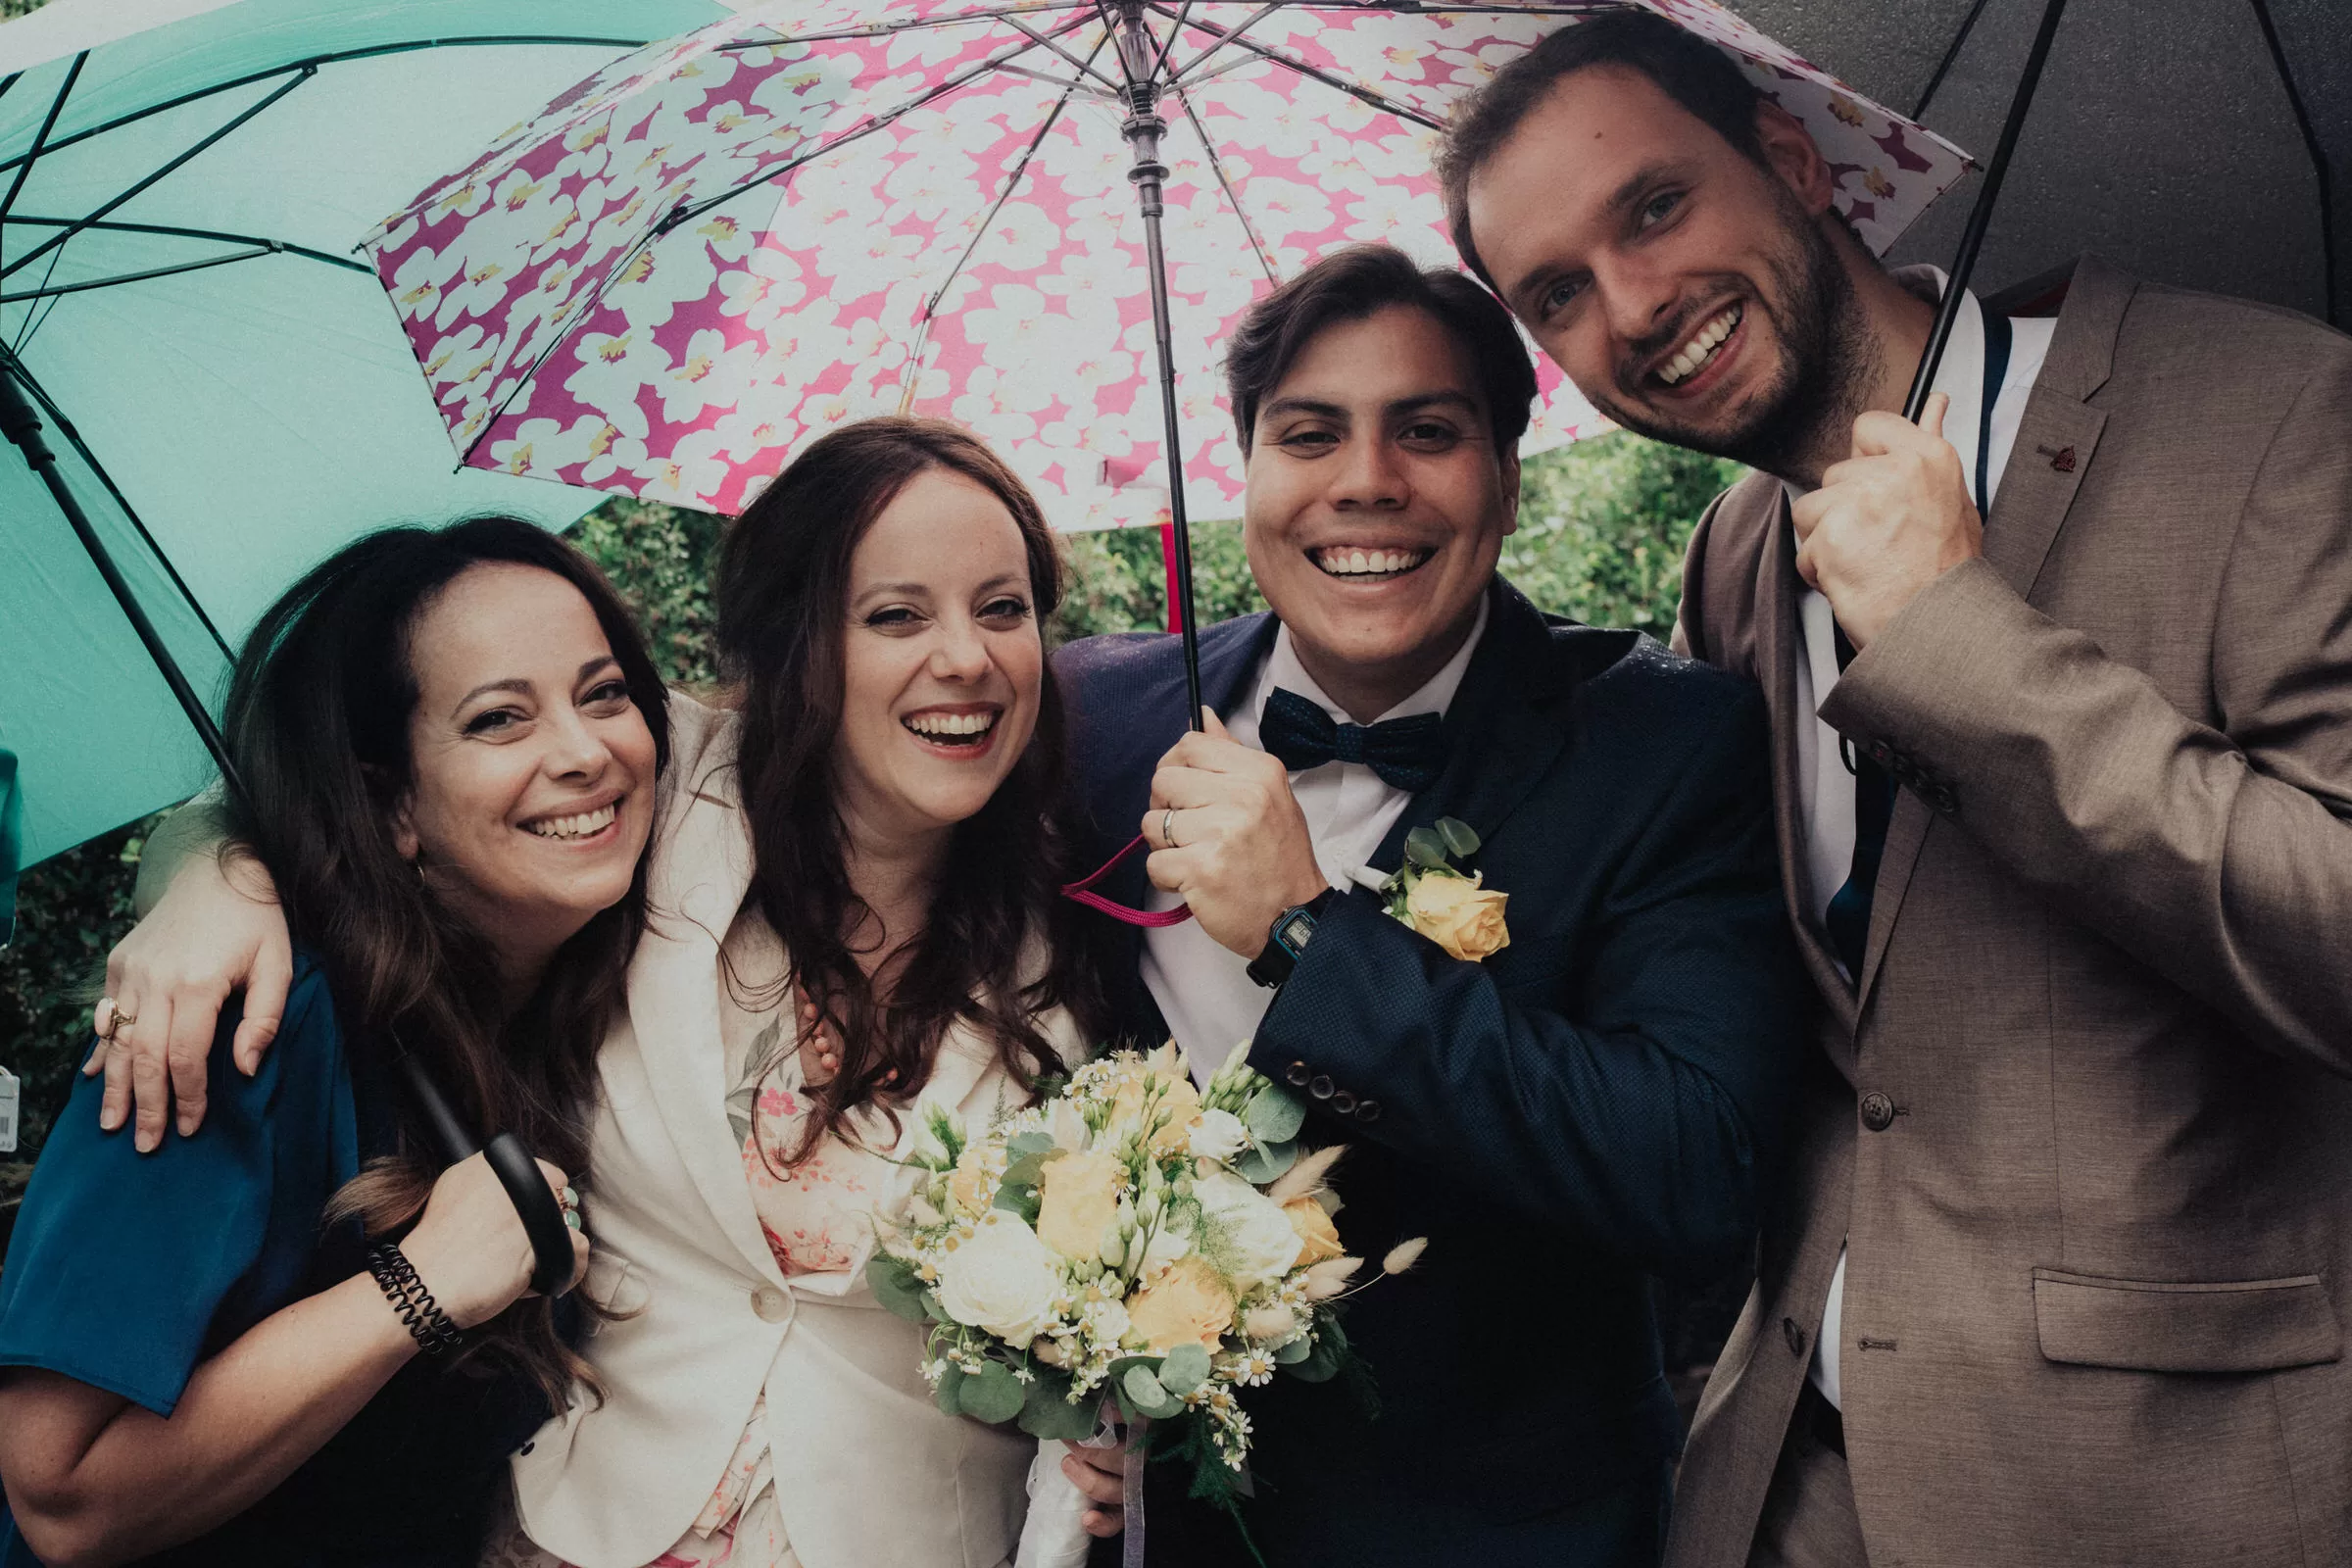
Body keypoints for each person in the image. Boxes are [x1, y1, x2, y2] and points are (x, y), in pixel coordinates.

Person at [1438, 12, 2352, 1568]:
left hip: (2154, 1497)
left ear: (1794, 163)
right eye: (1557, 296)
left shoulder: (2272, 410)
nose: (1635, 308)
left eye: (1654, 207)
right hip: (1789, 1486)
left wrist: (1962, 642)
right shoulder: (1731, 557)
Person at [90, 418, 1112, 1568]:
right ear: (795, 644)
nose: (966, 657)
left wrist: (1123, 1434)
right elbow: (335, 791)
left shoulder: (1088, 915)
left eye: (1004, 607)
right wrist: (213, 884)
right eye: (894, 613)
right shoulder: (652, 787)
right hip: (580, 1530)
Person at [1056, 243, 1811, 1566]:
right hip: (1163, 1529)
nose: (1366, 480)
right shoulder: (1094, 717)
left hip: (1512, 1531)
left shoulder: (1662, 746)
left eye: (1428, 430)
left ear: (1508, 478)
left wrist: (1310, 932)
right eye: (1310, 433)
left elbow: (1698, 1171)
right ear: (1248, 474)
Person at [0, 516, 661, 1564]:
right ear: (392, 802)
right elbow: (60, 1493)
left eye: (605, 692)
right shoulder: (242, 1022)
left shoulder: (574, 992)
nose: (585, 753)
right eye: (499, 719)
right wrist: (422, 1284)